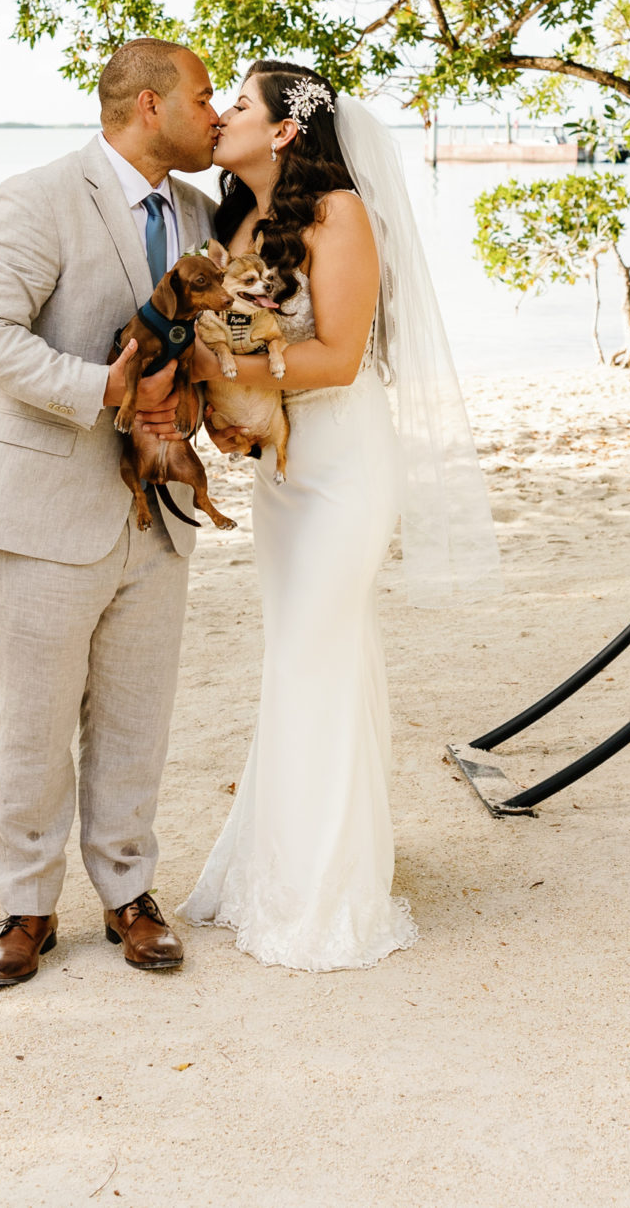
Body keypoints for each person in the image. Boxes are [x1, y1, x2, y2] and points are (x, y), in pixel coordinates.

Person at [169, 62, 503, 970]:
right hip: (282, 472)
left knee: (316, 654)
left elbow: (340, 358)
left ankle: (324, 895)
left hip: (344, 466)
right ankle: (286, 865)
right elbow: (239, 328)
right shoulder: (241, 219)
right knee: (303, 657)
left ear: (284, 131)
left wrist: (224, 370)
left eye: (238, 103)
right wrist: (229, 387)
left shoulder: (338, 215)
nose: (222, 116)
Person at [0, 37, 222, 989]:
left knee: (139, 719)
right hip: (38, 507)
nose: (214, 113)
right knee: (33, 721)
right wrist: (101, 390)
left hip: (159, 510)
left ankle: (130, 896)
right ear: (148, 106)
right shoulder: (38, 196)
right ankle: (25, 906)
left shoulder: (202, 214)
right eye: (205, 94)